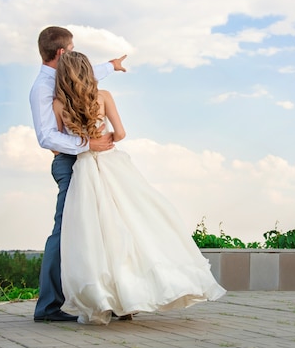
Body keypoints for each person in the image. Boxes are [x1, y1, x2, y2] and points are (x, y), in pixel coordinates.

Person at [53, 51, 226, 325]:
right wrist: (106, 138)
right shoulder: (104, 96)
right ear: (88, 71)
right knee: (130, 224)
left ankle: (105, 299)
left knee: (95, 235)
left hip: (85, 169)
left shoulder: (59, 104)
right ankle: (130, 296)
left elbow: (56, 145)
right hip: (113, 164)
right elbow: (121, 134)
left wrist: (86, 144)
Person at [29, 26, 127, 322]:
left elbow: (85, 72)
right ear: (62, 53)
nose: (73, 54)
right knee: (64, 231)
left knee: (104, 226)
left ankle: (114, 295)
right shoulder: (42, 89)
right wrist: (87, 143)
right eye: (71, 49)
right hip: (71, 162)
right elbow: (46, 137)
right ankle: (48, 306)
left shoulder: (66, 75)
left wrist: (111, 65)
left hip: (90, 160)